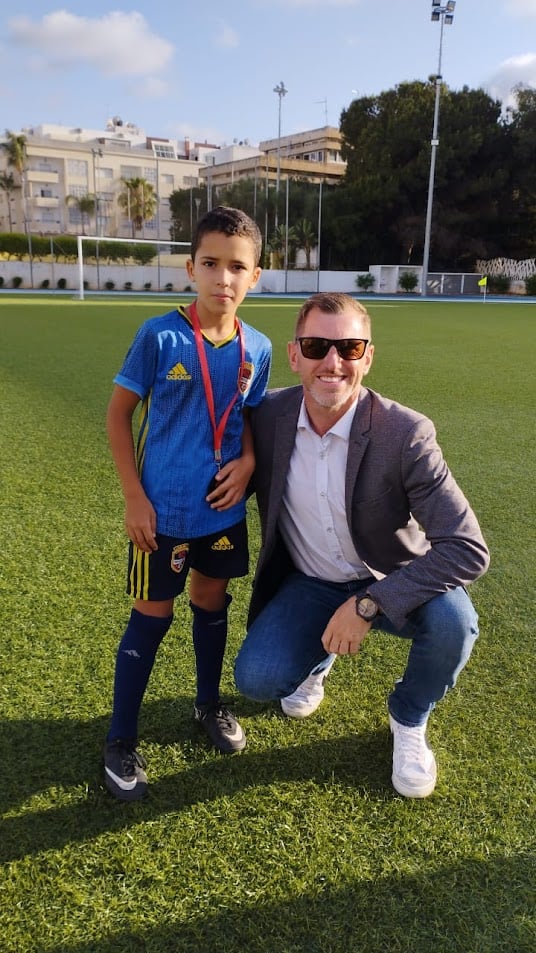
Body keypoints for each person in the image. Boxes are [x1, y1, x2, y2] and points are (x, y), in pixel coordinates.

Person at [235, 292, 489, 798]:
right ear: (293, 355)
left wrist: (370, 604)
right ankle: (317, 661)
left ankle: (409, 717)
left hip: (391, 578)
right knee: (258, 680)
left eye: (349, 348)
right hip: (311, 582)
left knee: (454, 626)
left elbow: (467, 548)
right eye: (316, 346)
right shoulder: (265, 417)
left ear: (367, 357)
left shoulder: (406, 432)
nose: (332, 362)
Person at [104, 206, 272, 800]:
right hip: (163, 514)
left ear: (256, 275)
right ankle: (121, 738)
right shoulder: (160, 335)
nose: (222, 278)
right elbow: (119, 415)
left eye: (237, 267)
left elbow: (249, 418)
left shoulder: (260, 346)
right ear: (190, 268)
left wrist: (249, 461)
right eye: (210, 264)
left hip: (222, 513)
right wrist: (134, 498)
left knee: (211, 601)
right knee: (152, 616)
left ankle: (207, 707)